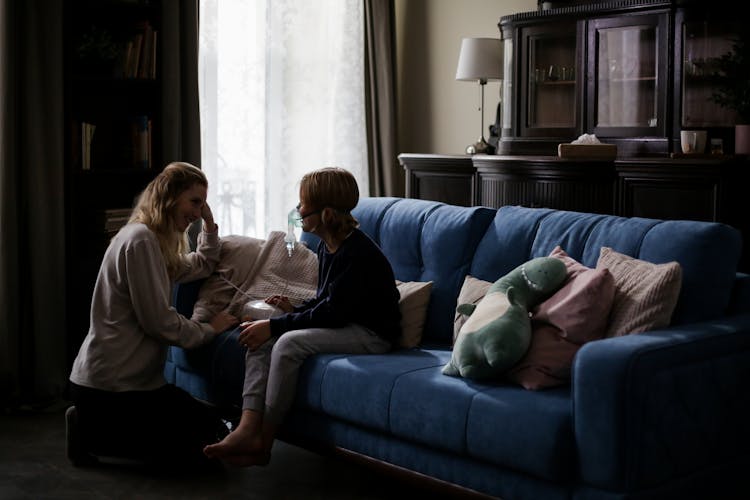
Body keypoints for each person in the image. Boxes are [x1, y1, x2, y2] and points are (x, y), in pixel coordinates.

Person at [203, 166, 401, 466]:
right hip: (347, 321)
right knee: (262, 335)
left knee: (286, 342)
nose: (297, 210)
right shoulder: (327, 247)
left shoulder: (358, 254)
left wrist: (276, 325)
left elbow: (334, 313)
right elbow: (327, 301)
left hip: (372, 334)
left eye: (303, 204)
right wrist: (293, 310)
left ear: (328, 214)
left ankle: (264, 442)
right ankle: (246, 427)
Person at [67, 161, 239, 469]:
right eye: (195, 202)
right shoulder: (140, 240)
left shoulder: (152, 242)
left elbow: (201, 264)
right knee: (198, 452)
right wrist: (209, 328)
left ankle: (94, 423)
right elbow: (159, 323)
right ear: (171, 197)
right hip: (112, 387)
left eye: (203, 204)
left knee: (212, 428)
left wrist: (209, 227)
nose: (198, 211)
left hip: (130, 386)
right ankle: (91, 428)